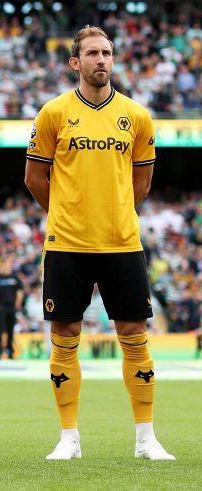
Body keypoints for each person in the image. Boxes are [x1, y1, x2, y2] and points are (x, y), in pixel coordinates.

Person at [25, 26, 174, 461]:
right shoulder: (53, 112)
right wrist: (66, 212)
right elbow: (35, 178)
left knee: (135, 336)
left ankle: (146, 438)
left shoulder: (137, 116)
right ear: (76, 63)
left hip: (121, 243)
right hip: (67, 244)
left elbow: (141, 182)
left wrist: (115, 211)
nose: (101, 60)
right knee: (64, 336)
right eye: (92, 53)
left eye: (107, 52)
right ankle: (69, 437)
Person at [0, 260, 22, 359]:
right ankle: (0, 351)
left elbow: (19, 292)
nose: (6, 267)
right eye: (5, 265)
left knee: (11, 330)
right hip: (1, 307)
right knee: (0, 330)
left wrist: (17, 305)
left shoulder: (15, 278)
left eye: (8, 265)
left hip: (12, 307)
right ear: (2, 266)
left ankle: (10, 351)